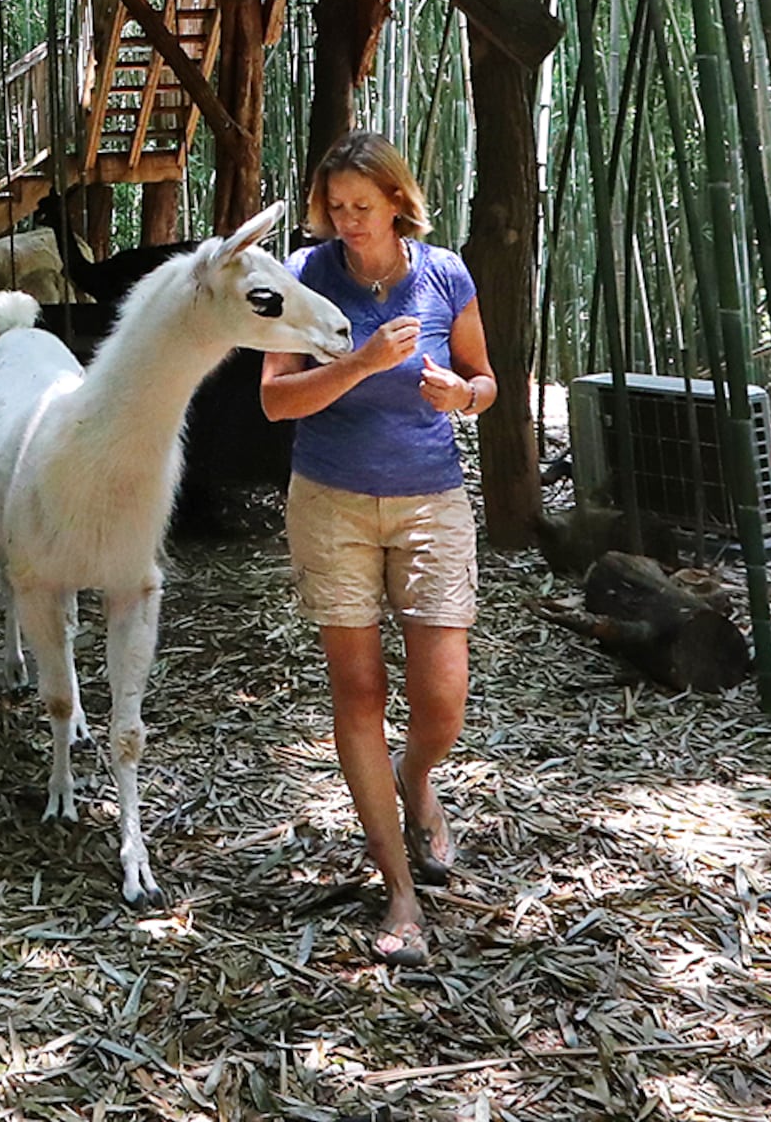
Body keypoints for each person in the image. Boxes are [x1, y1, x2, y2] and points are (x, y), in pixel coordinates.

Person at [258, 131, 497, 963]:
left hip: (430, 498)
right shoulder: (303, 276)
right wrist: (359, 363)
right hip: (330, 501)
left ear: (399, 200)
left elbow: (485, 380)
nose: (346, 222)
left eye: (361, 207)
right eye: (334, 208)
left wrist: (462, 395)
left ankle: (418, 778)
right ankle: (397, 889)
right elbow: (275, 402)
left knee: (441, 702)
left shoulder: (445, 272)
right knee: (358, 691)